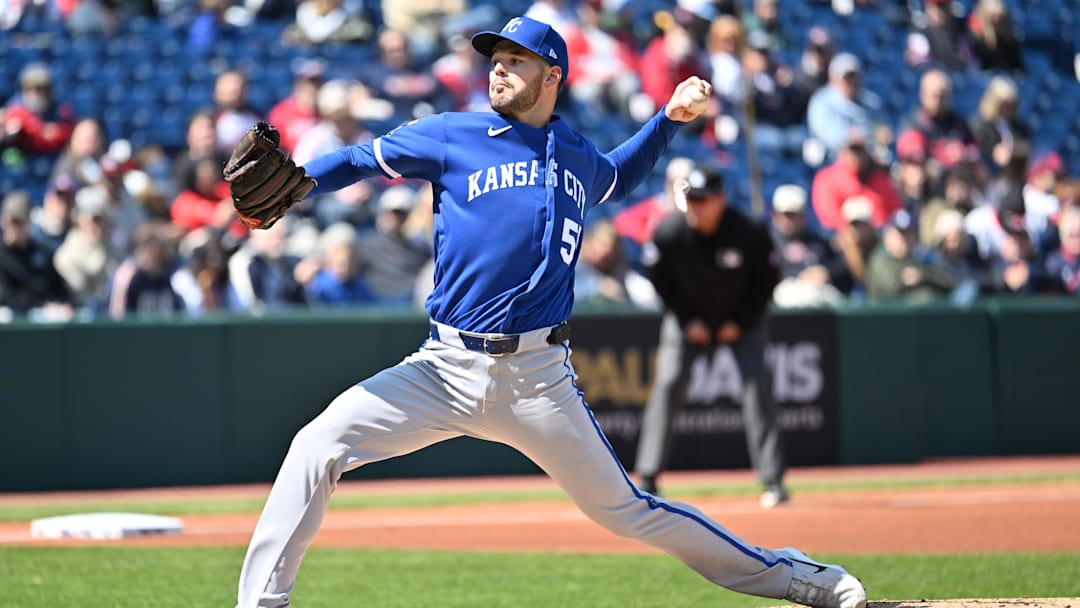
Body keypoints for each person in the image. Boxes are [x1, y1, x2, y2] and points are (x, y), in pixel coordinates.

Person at [232, 15, 866, 608]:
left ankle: (789, 574)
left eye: (516, 60)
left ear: (552, 75)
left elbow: (618, 175)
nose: (498, 70)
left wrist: (668, 120)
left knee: (628, 510)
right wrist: (307, 181)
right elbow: (361, 158)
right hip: (442, 367)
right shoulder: (454, 134)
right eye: (495, 59)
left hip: (537, 377)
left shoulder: (573, 152)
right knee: (316, 445)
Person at [633, 163, 787, 508]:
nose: (696, 206)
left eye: (704, 199)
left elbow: (768, 279)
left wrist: (741, 320)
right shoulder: (670, 232)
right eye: (692, 198)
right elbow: (659, 280)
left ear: (721, 199)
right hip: (688, 322)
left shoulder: (747, 231)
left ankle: (773, 480)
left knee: (756, 387)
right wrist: (687, 320)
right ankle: (648, 476)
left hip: (741, 321)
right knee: (669, 382)